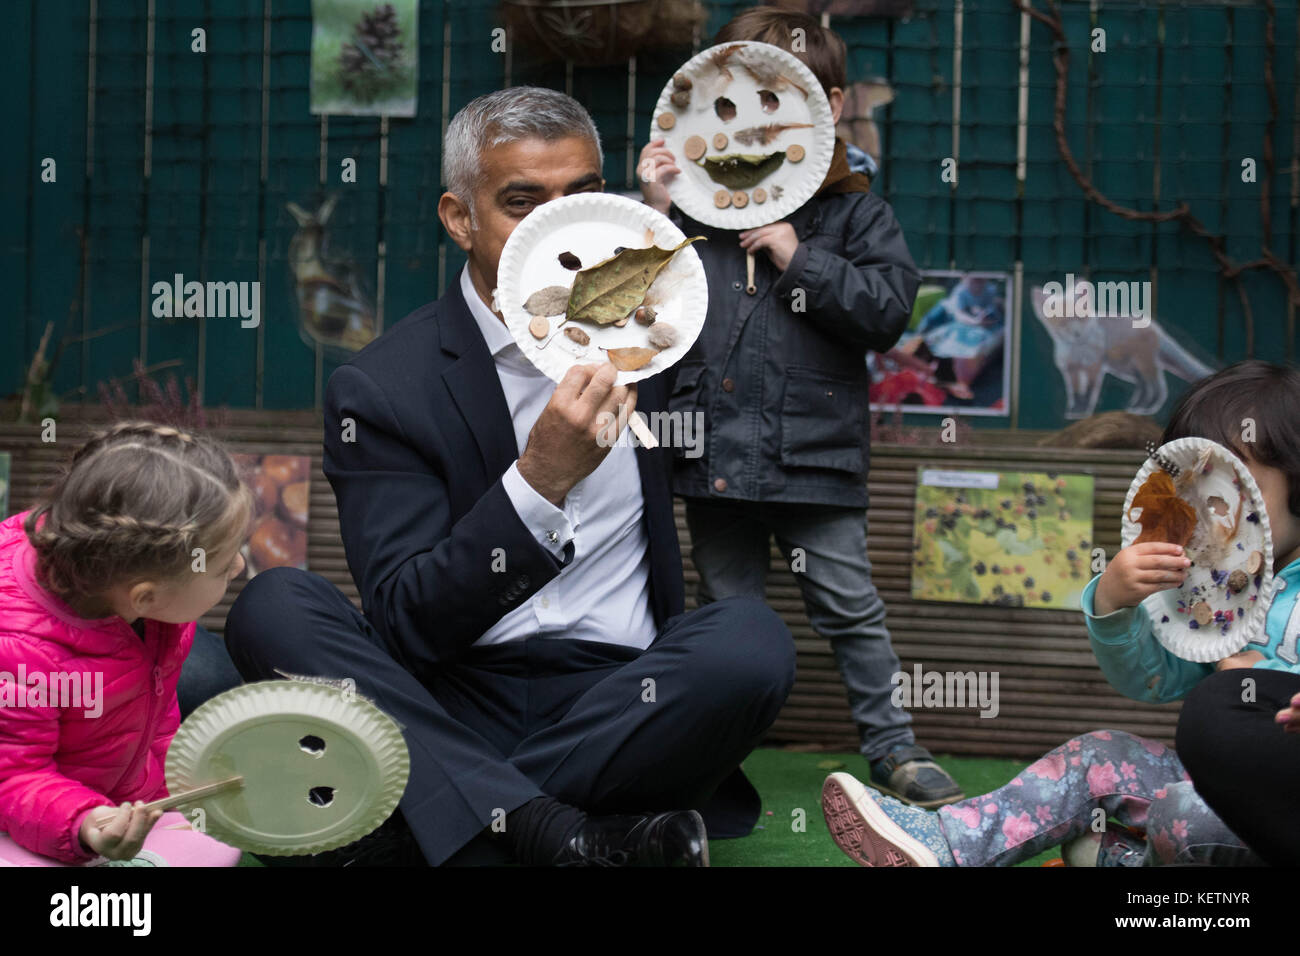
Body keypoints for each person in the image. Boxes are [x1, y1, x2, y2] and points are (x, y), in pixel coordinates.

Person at [223, 86, 797, 868]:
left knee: (751, 641)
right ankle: (561, 836)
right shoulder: (384, 386)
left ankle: (425, 832)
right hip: (442, 704)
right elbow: (406, 622)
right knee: (273, 604)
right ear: (460, 218)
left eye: (583, 197)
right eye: (523, 202)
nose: (560, 224)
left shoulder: (662, 345)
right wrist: (540, 482)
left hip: (624, 707)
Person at [638, 6, 963, 807]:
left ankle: (893, 749)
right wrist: (654, 204)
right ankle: (717, 759)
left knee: (850, 609)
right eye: (738, 101)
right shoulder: (693, 219)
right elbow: (632, 304)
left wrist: (798, 255)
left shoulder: (857, 214)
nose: (756, 123)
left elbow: (888, 313)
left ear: (835, 105)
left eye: (785, 100)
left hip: (814, 463)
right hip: (710, 459)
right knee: (726, 621)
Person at [821, 360, 1299, 865]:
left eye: (1235, 492)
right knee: (1099, 755)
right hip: (1211, 784)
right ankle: (948, 843)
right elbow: (1154, 680)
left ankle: (1121, 861)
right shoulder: (1208, 588)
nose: (1211, 512)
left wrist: (1266, 682)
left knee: (1181, 812)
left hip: (1277, 808)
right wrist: (1115, 602)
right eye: (1198, 492)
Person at [0, 422, 250, 866]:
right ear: (145, 595)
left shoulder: (138, 597)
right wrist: (83, 823)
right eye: (222, 563)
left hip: (108, 782)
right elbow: (15, 777)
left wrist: (172, 779)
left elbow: (152, 707)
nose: (240, 564)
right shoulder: (20, 654)